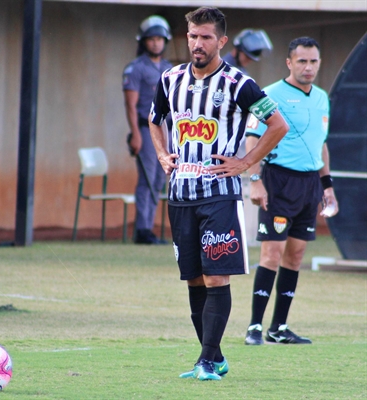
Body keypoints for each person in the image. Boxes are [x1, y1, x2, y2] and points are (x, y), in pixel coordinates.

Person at [148, 7, 288, 380]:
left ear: (221, 41)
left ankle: (206, 361)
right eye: (193, 36)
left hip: (219, 194)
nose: (197, 43)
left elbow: (278, 124)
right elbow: (154, 118)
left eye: (206, 37)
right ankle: (215, 357)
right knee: (194, 278)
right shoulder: (170, 79)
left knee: (215, 277)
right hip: (180, 194)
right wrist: (162, 154)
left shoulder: (240, 84)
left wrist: (245, 163)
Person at [244, 37, 339, 346]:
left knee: (295, 255)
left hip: (310, 184)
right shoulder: (269, 95)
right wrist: (254, 179)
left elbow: (320, 144)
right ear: (289, 62)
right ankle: (254, 328)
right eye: (302, 61)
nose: (308, 67)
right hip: (278, 182)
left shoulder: (323, 98)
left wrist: (327, 186)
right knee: (272, 254)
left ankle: (279, 328)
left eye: (313, 61)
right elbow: (251, 139)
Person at [122, 15, 173, 244]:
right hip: (144, 129)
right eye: (151, 39)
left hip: (165, 130)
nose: (156, 43)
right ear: (143, 41)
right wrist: (134, 134)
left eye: (160, 39)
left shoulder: (168, 68)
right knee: (147, 180)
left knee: (158, 181)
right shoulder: (135, 68)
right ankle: (142, 230)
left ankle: (149, 228)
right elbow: (130, 105)